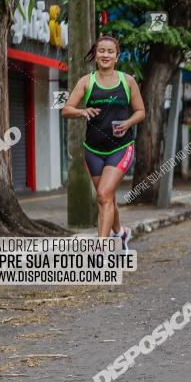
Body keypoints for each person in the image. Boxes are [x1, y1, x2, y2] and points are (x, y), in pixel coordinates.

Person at [61, 35, 145, 250]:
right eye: (101, 51)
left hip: (120, 147)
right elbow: (66, 110)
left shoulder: (127, 81)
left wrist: (127, 123)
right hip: (93, 150)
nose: (105, 55)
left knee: (103, 195)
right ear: (95, 56)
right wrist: (82, 111)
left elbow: (141, 112)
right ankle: (120, 233)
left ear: (117, 56)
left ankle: (102, 249)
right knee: (106, 198)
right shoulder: (86, 81)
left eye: (110, 51)